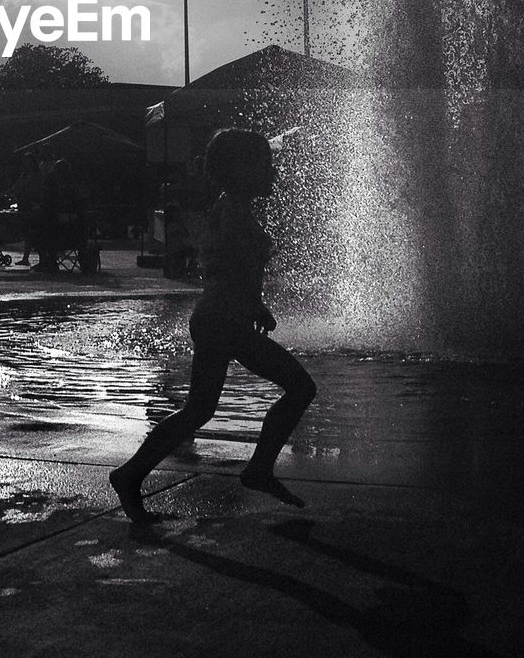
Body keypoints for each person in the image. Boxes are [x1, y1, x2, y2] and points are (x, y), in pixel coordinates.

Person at [110, 128, 316, 523]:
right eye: (265, 165)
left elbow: (227, 269)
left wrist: (256, 305)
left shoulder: (231, 206)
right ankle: (258, 469)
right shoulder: (236, 212)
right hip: (224, 322)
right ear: (242, 170)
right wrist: (249, 303)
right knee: (300, 387)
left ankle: (130, 474)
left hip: (216, 318)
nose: (274, 172)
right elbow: (232, 267)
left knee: (198, 410)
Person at [33, 157, 85, 275]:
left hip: (61, 232)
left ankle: (48, 261)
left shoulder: (65, 186)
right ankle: (48, 260)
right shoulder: (71, 184)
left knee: (40, 231)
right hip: (72, 232)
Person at [9, 152, 43, 266]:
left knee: (33, 231)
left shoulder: (37, 175)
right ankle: (26, 257)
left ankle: (40, 258)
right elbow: (17, 185)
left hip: (32, 205)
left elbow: (35, 188)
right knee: (27, 232)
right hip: (24, 203)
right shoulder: (24, 174)